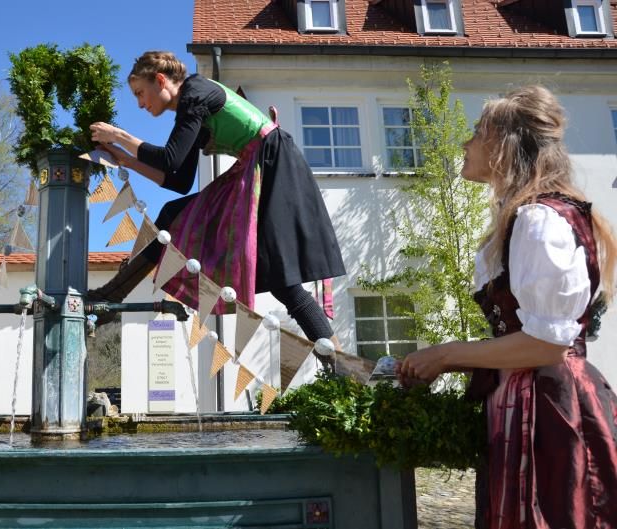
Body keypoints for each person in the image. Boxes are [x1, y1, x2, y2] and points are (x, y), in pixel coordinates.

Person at [397, 86, 617, 528]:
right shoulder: (528, 217)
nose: (465, 144)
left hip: (550, 409)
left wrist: (445, 353)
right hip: (529, 398)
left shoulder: (539, 221)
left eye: (477, 133)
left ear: (503, 147)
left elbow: (546, 345)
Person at [89, 51, 346, 362]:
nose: (142, 104)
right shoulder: (192, 105)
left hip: (274, 164)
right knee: (281, 280)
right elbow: (178, 180)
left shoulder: (194, 93)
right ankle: (338, 364)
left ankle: (112, 293)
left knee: (282, 276)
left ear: (160, 80)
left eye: (141, 94)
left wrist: (118, 135)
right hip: (262, 165)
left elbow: (170, 158)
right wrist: (125, 158)